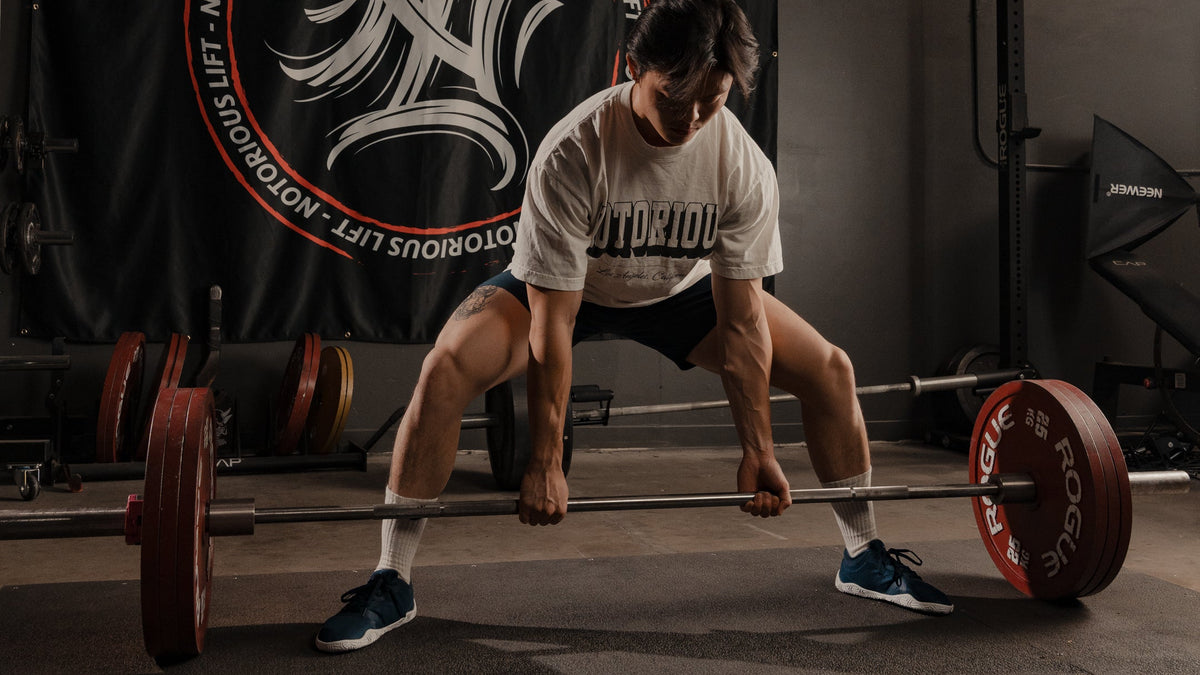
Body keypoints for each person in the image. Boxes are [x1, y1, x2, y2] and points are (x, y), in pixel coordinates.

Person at [315, 0, 952, 653]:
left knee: (831, 369)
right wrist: (544, 460)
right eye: (676, 100)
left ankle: (862, 554)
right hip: (569, 289)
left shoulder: (740, 163)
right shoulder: (573, 152)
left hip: (678, 290)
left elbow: (741, 325)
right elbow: (552, 327)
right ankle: (391, 579)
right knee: (444, 368)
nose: (694, 119)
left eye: (714, 101)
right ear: (633, 67)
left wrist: (758, 448)